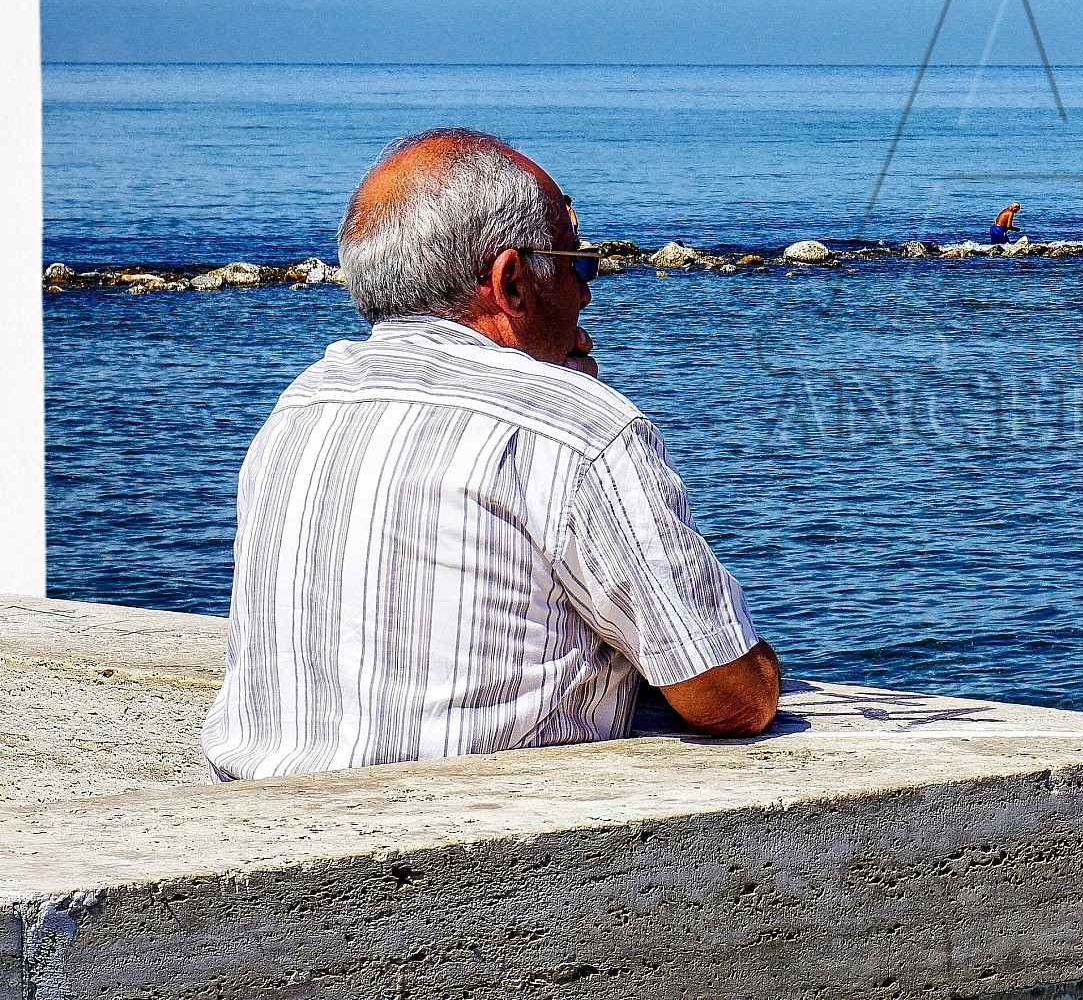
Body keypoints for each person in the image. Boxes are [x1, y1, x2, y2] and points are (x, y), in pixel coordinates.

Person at [201, 128, 780, 782]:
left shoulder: (302, 405)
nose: (587, 293)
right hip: (461, 860)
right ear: (511, 284)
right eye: (575, 264)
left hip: (256, 833)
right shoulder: (578, 430)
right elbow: (729, 697)